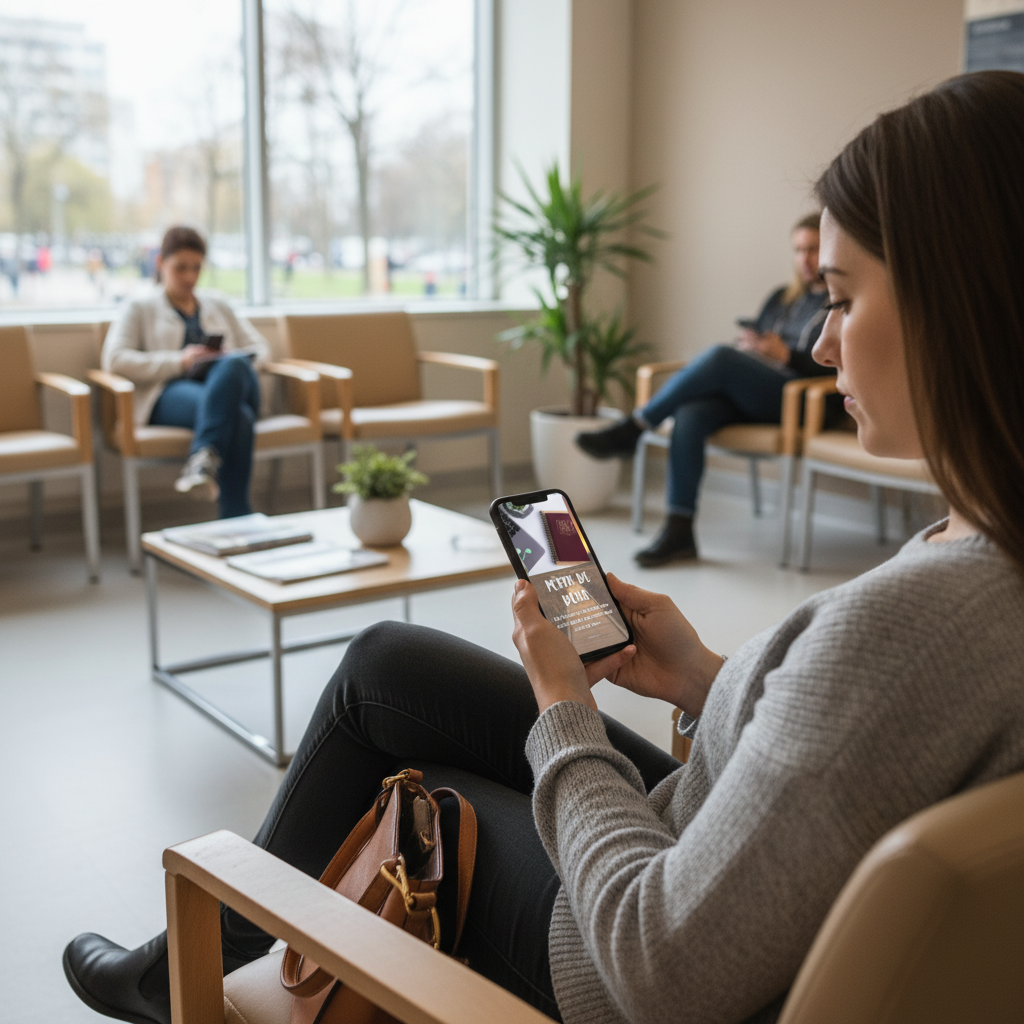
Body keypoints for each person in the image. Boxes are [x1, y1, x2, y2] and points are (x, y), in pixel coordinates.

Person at [64, 71, 1024, 1024]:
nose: (821, 343)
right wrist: (699, 676)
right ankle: (185, 963)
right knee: (387, 665)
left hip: (610, 952)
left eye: (845, 299)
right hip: (717, 843)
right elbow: (842, 754)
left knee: (423, 792)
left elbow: (661, 969)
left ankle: (185, 968)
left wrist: (564, 705)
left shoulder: (909, 634)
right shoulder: (985, 547)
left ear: (963, 301)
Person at [576, 214, 833, 567]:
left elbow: (839, 364)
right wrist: (753, 347)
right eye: (798, 250)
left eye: (814, 249)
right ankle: (679, 531)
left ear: (831, 248)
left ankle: (636, 427)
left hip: (802, 399)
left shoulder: (839, 301)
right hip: (759, 391)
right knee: (691, 413)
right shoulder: (781, 297)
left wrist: (787, 354)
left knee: (718, 357)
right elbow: (756, 340)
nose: (805, 259)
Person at [102, 226, 270, 519]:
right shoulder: (139, 308)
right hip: (172, 393)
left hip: (228, 385)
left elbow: (262, 349)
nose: (190, 277)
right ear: (160, 263)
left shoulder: (218, 304)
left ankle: (202, 457)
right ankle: (236, 517)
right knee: (239, 417)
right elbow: (115, 360)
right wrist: (180, 362)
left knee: (232, 365)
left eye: (196, 268)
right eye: (180, 268)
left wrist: (227, 358)